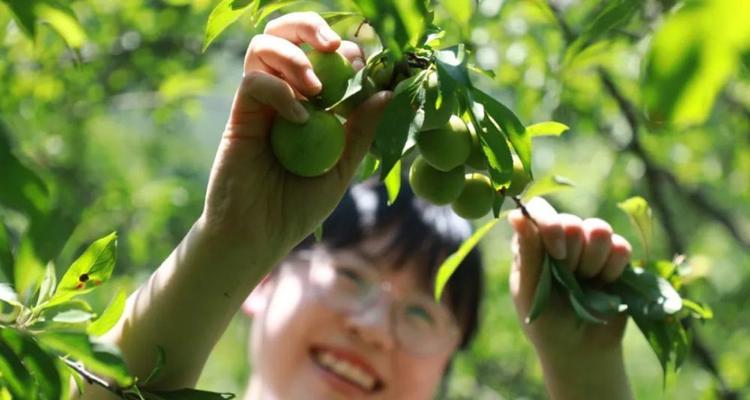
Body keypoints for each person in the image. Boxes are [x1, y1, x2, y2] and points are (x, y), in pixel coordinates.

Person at [80, 12, 634, 400]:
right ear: (265, 284)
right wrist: (234, 242)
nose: (372, 328)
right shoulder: (244, 251)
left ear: (451, 359)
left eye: (420, 313)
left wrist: (586, 376)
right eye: (349, 275)